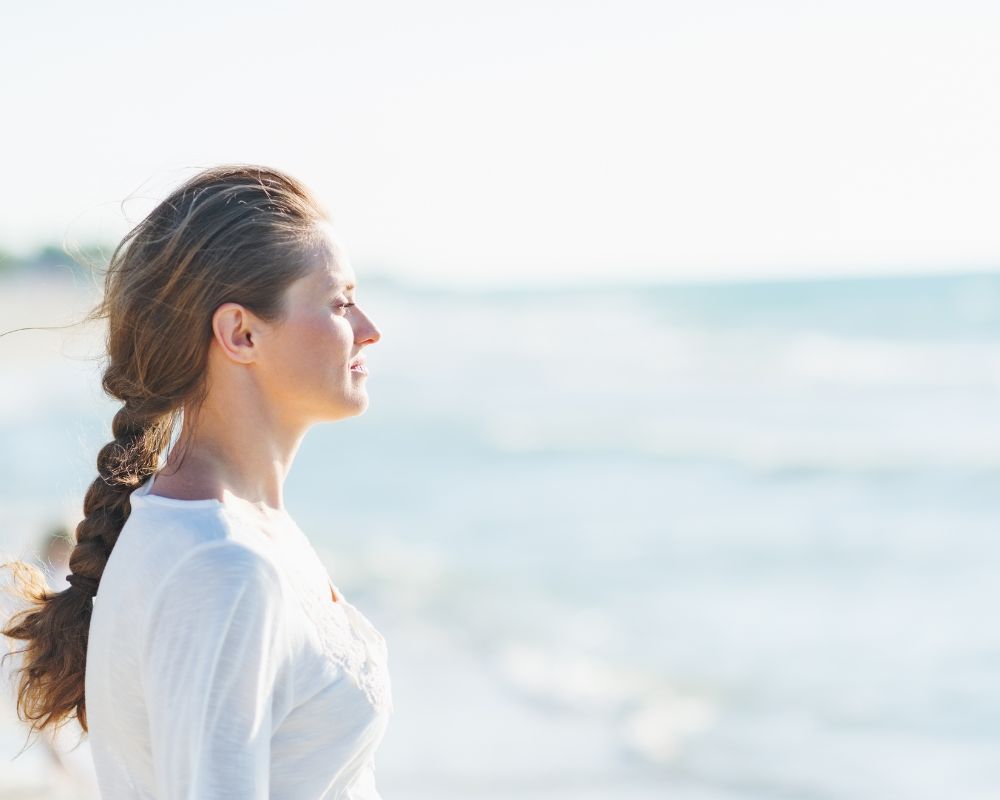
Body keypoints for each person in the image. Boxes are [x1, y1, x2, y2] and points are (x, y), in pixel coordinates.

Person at [1, 165, 391, 798]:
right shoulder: (222, 566)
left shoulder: (229, 531)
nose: (369, 328)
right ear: (240, 332)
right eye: (340, 302)